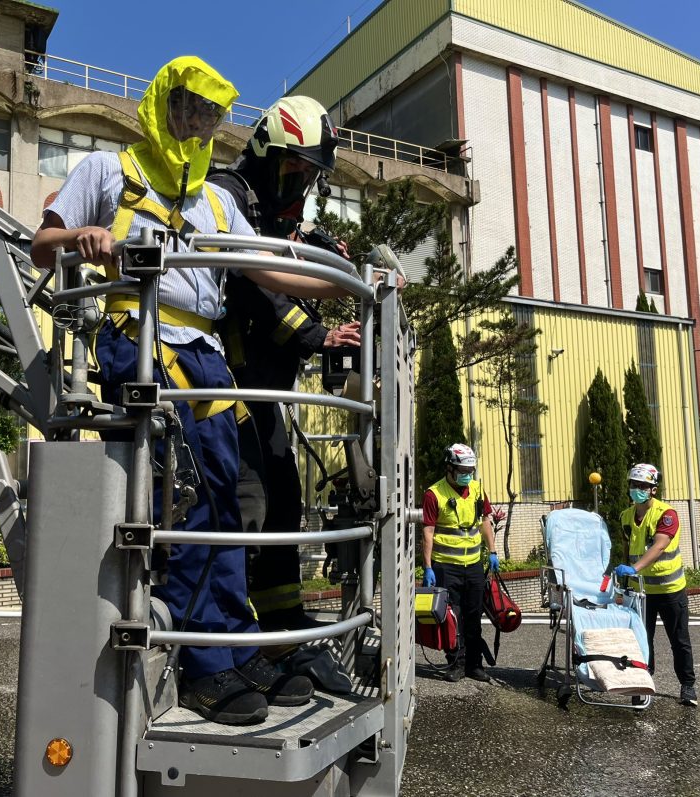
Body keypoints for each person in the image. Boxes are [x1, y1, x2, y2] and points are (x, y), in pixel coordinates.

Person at [31, 57, 344, 726]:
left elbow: (270, 270)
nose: (199, 122)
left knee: (225, 500)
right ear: (162, 106)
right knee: (193, 501)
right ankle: (204, 663)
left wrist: (349, 282)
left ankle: (235, 645)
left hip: (204, 353)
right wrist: (84, 237)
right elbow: (42, 245)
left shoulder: (215, 201)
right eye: (189, 107)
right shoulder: (109, 171)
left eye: (210, 113)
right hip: (140, 338)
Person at [208, 96, 361, 631]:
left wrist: (326, 255)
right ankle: (233, 629)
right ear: (265, 153)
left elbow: (284, 276)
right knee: (249, 499)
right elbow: (254, 286)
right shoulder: (229, 194)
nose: (300, 185)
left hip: (265, 387)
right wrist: (320, 335)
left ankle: (280, 623)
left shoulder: (274, 217)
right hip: (230, 382)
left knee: (283, 495)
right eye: (293, 170)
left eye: (308, 176)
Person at [615, 463, 698, 706]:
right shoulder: (626, 516)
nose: (637, 489)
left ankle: (688, 686)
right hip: (641, 593)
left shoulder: (666, 514)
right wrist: (623, 579)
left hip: (670, 589)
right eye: (634, 485)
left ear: (653, 489)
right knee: (641, 640)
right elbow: (627, 549)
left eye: (643, 486)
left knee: (679, 640)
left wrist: (635, 568)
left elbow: (660, 545)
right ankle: (643, 683)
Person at [421, 443, 498, 683]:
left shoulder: (477, 489)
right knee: (452, 618)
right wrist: (428, 567)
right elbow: (428, 532)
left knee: (474, 616)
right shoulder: (434, 494)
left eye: (470, 471)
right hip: (446, 567)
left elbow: (485, 520)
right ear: (449, 468)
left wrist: (493, 551)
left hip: (473, 565)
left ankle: (475, 665)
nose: (467, 475)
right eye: (463, 471)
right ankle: (456, 663)